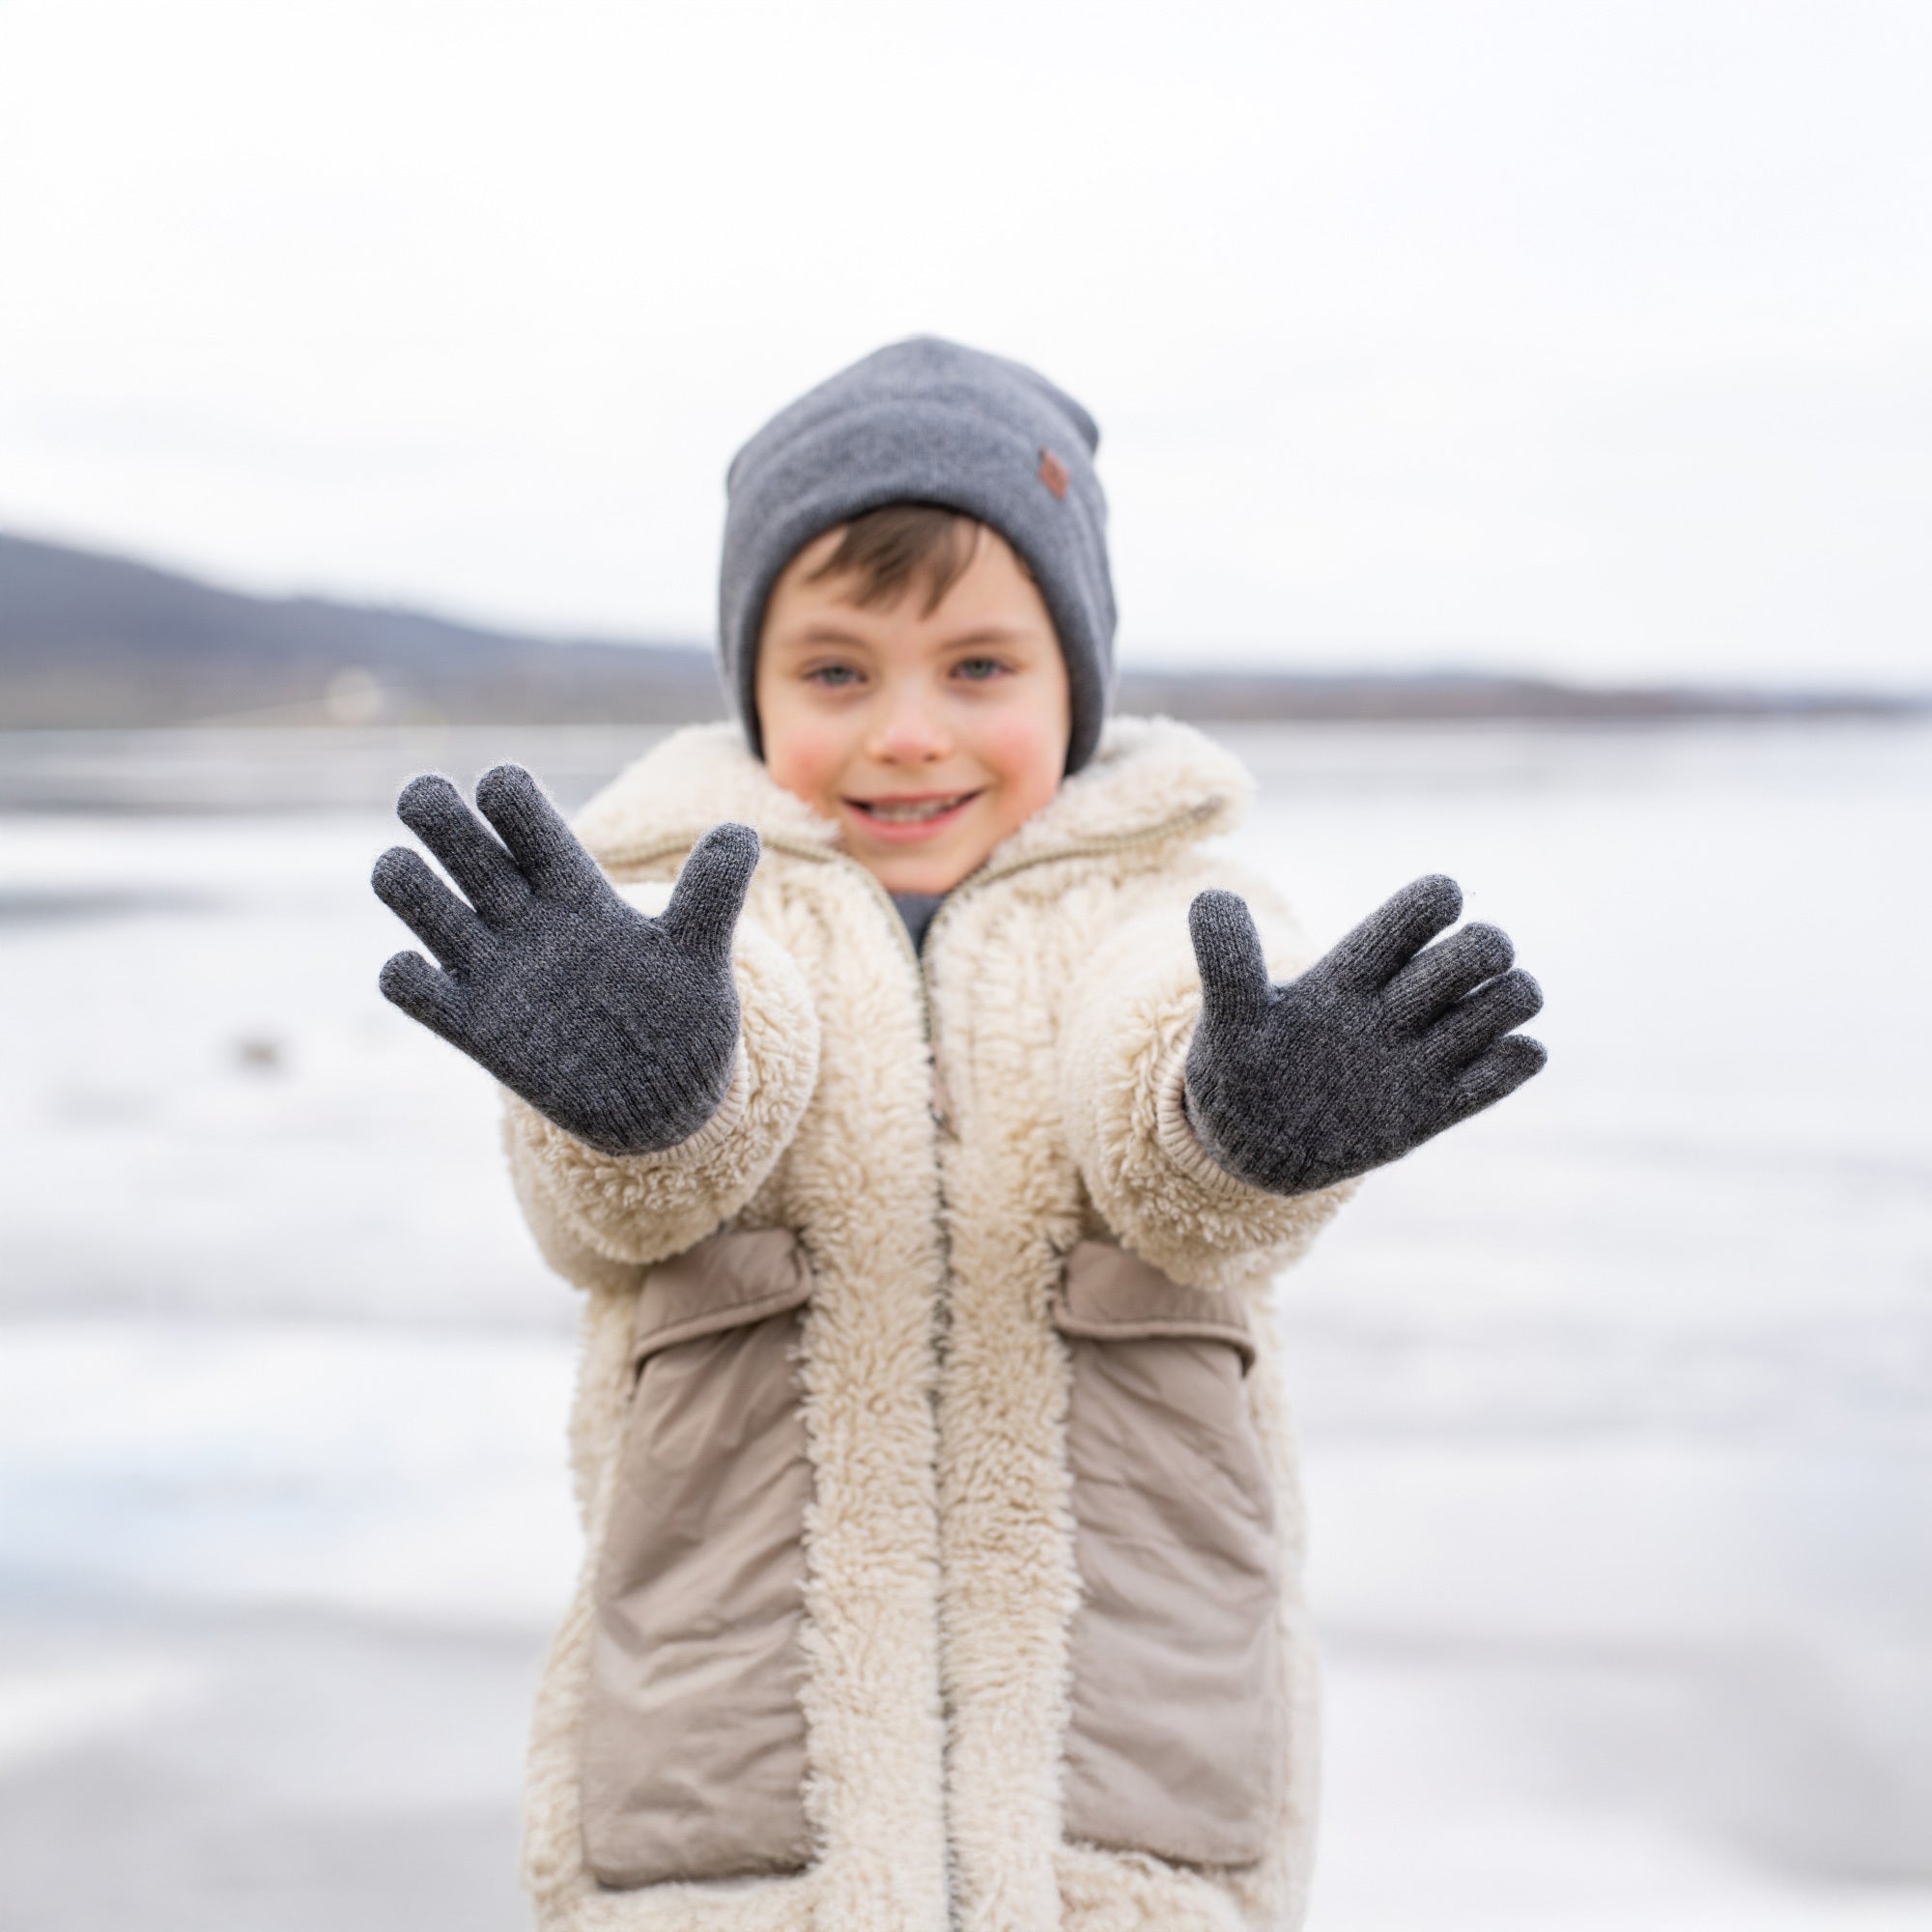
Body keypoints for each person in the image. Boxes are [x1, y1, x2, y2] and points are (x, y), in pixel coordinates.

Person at [370, 337, 1546, 1932]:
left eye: (980, 669)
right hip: (730, 1812)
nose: (907, 732)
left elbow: (1157, 1114)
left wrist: (1241, 1122)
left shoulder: (1165, 910)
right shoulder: (682, 918)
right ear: (754, 688)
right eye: (838, 673)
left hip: (1125, 1801)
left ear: (1079, 684)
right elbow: (615, 1204)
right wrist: (655, 1094)